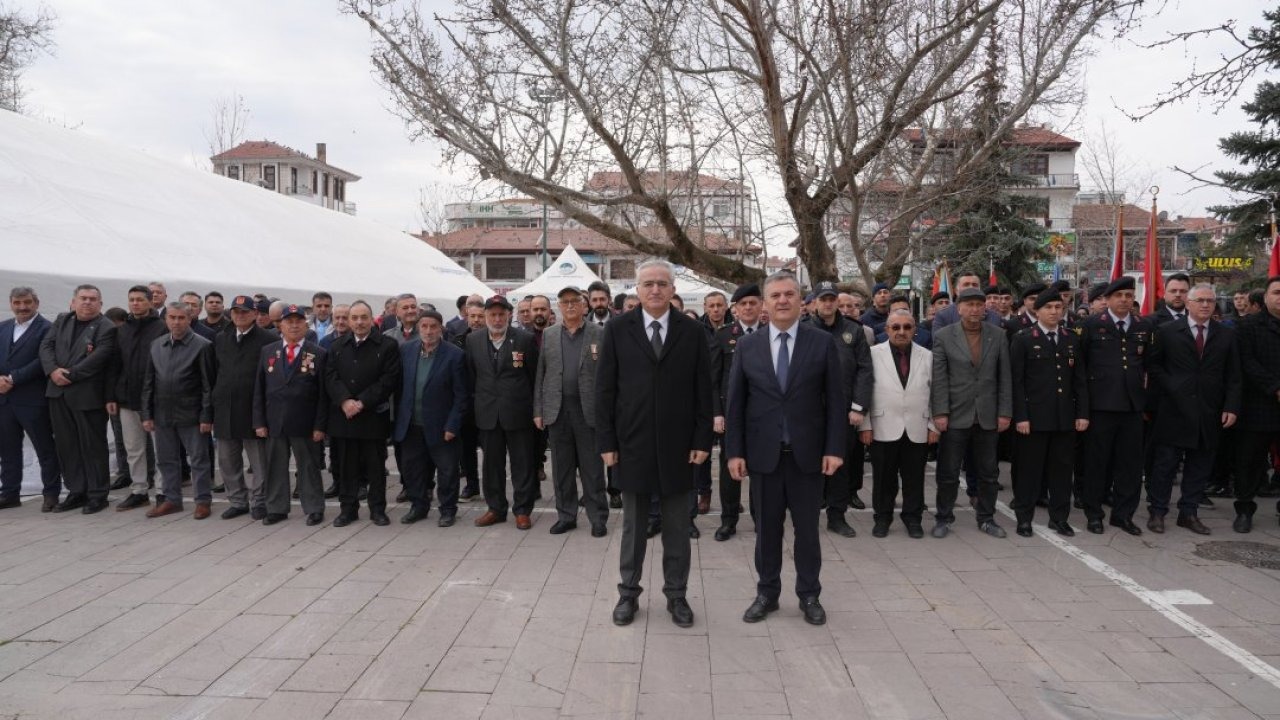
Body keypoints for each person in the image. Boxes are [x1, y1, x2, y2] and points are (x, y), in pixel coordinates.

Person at [726, 272, 845, 625]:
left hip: (808, 457)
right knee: (767, 531)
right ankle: (767, 593)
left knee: (807, 532)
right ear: (765, 302)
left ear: (801, 301)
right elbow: (736, 403)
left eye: (789, 294)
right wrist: (735, 452)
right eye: (775, 295)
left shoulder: (821, 343)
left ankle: (809, 594)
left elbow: (835, 401)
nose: (782, 300)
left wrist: (834, 448)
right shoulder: (748, 346)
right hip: (764, 457)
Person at [599, 259, 712, 629]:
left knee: (677, 527)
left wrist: (702, 438)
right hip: (631, 443)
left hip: (680, 446)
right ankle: (628, 593)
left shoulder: (692, 331)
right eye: (648, 283)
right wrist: (607, 441)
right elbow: (605, 390)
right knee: (633, 527)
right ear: (637, 289)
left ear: (673, 289)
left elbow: (703, 389)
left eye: (662, 283)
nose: (655, 289)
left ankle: (677, 595)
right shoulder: (618, 329)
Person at [1145, 283, 1240, 535]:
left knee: (1200, 466)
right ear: (1188, 303)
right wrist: (1172, 386)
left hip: (1209, 410)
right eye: (1200, 300)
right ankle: (1157, 511)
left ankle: (1188, 512)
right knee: (1165, 465)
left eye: (1210, 301)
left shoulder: (1226, 334)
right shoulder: (1167, 331)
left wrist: (1231, 406)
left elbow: (1234, 375)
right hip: (1174, 409)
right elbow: (1153, 366)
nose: (1206, 305)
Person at [929, 287, 1012, 539]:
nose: (975, 309)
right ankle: (943, 517)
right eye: (969, 305)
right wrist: (940, 412)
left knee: (989, 472)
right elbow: (940, 378)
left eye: (979, 304)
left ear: (985, 307)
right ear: (959, 308)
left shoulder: (998, 335)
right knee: (948, 472)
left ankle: (986, 517)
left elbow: (1004, 377)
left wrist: (1005, 412)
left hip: (987, 415)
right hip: (955, 415)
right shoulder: (944, 336)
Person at [1009, 281, 1088, 537]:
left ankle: (1059, 518)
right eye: (1049, 307)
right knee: (1030, 472)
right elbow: (1017, 383)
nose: (1055, 312)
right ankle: (1024, 518)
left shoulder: (1071, 339)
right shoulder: (1023, 339)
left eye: (1058, 307)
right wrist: (1021, 416)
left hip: (1064, 418)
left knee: (1062, 472)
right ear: (1037, 310)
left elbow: (1079, 380)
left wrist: (1082, 413)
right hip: (1034, 419)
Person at [1079, 276, 1152, 535]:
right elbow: (1081, 368)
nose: (1124, 300)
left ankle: (1123, 515)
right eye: (1118, 295)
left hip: (1132, 407)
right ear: (1107, 299)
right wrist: (1083, 409)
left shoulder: (1143, 326)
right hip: (1101, 406)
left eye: (1128, 296)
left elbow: (1149, 366)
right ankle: (1094, 514)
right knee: (1097, 464)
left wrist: (1146, 404)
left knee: (1130, 467)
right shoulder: (1091, 325)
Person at [534, 287, 608, 536]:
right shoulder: (550, 334)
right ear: (559, 306)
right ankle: (566, 516)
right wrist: (538, 410)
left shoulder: (599, 333)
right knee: (562, 469)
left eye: (574, 301)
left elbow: (607, 375)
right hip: (558, 410)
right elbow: (541, 374)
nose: (570, 305)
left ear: (584, 305)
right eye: (564, 302)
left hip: (588, 411)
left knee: (592, 469)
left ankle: (598, 518)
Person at [40, 284, 118, 514]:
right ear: (73, 302)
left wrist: (69, 375)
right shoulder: (62, 320)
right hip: (57, 392)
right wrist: (52, 370)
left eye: (93, 299)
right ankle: (76, 491)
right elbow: (46, 346)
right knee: (67, 446)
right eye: (83, 298)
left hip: (87, 395)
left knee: (93, 447)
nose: (87, 302)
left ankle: (97, 494)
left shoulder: (107, 327)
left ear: (100, 303)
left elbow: (100, 358)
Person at [325, 300, 402, 527]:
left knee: (375, 467)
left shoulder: (387, 346)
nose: (359, 322)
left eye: (363, 317)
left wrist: (361, 403)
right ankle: (348, 510)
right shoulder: (337, 346)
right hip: (344, 417)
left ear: (371, 319)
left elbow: (389, 379)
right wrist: (344, 400)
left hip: (372, 417)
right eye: (355, 318)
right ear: (349, 321)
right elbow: (330, 377)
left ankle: (377, 509)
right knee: (346, 467)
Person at [860, 309, 936, 538]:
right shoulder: (872, 354)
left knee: (915, 478)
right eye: (896, 327)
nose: (901, 331)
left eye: (907, 327)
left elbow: (936, 392)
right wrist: (865, 425)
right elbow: (864, 391)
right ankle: (882, 518)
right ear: (887, 330)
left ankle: (913, 519)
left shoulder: (927, 356)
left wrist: (933, 425)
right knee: (884, 478)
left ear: (915, 330)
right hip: (882, 426)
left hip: (917, 426)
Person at [466, 295, 540, 529]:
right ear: (485, 316)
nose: (497, 319)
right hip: (488, 413)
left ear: (509, 315)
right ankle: (495, 509)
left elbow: (534, 376)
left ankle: (522, 510)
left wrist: (534, 408)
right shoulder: (473, 340)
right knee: (491, 465)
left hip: (518, 412)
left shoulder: (525, 339)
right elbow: (471, 376)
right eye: (493, 315)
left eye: (501, 314)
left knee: (522, 464)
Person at [807, 281, 873, 536]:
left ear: (837, 301)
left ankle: (837, 516)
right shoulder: (803, 329)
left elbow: (865, 370)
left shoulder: (853, 330)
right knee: (809, 466)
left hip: (843, 412)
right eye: (822, 299)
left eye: (831, 299)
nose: (827, 303)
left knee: (840, 466)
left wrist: (858, 407)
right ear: (815, 302)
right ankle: (808, 516)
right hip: (811, 412)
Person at [253, 304, 328, 526]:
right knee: (275, 467)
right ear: (280, 325)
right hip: (274, 421)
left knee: (308, 467)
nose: (294, 326)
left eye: (298, 321)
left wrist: (320, 426)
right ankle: (276, 508)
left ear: (306, 325)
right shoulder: (268, 351)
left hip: (305, 422)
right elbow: (259, 388)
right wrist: (259, 421)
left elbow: (323, 394)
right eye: (289, 322)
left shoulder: (318, 353)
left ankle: (314, 508)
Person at [140, 302, 215, 519]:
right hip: (162, 413)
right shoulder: (157, 345)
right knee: (166, 459)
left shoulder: (203, 345)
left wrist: (206, 415)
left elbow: (208, 385)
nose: (176, 322)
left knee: (198, 459)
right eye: (172, 317)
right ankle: (172, 500)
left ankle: (203, 501)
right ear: (165, 319)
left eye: (181, 318)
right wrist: (147, 413)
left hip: (192, 413)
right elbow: (149, 382)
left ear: (190, 319)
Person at [396, 311, 469, 527]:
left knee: (447, 471)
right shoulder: (407, 350)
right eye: (424, 326)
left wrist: (453, 425)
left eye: (433, 326)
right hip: (412, 424)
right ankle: (418, 506)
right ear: (419, 327)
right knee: (414, 469)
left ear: (441, 328)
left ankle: (447, 510)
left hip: (442, 425)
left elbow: (462, 395)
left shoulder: (455, 355)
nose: (428, 331)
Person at [709, 283, 766, 541]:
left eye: (753, 303)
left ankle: (760, 519)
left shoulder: (770, 333)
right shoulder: (723, 336)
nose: (748, 308)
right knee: (729, 468)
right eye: (743, 304)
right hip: (731, 413)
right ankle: (728, 520)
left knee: (761, 469)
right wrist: (717, 413)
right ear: (736, 308)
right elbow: (713, 378)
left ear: (761, 305)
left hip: (761, 414)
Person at [212, 296, 278, 520]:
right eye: (236, 312)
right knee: (227, 461)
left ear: (254, 314)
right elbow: (215, 373)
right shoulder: (222, 338)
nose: (240, 315)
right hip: (225, 410)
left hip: (253, 411)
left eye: (244, 311)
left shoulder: (268, 340)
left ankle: (260, 501)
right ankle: (238, 501)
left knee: (259, 462)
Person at [0, 287, 60, 510]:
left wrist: (13, 378)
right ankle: (10, 493)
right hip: (5, 400)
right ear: (11, 304)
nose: (22, 307)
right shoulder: (4, 327)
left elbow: (43, 360)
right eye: (17, 303)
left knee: (45, 448)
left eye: (27, 302)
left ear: (36, 303)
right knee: (8, 449)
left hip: (33, 400)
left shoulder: (48, 329)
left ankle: (51, 493)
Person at [108, 285, 166, 512]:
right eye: (131, 299)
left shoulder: (162, 328)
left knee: (161, 449)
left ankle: (162, 491)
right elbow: (114, 365)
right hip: (127, 398)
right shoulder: (122, 330)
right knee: (133, 448)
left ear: (150, 302)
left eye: (140, 299)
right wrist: (111, 395)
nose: (135, 303)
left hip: (155, 399)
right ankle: (139, 490)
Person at [1230, 276, 1280, 533]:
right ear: (1266, 297)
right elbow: (1246, 362)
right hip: (1258, 405)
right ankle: (1244, 509)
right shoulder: (1248, 326)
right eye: (1277, 293)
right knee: (1249, 461)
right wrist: (1275, 387)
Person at [452, 302, 485, 500]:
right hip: (465, 403)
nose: (476, 320)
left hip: (487, 403)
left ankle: (492, 486)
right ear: (466, 318)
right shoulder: (458, 340)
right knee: (467, 449)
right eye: (472, 316)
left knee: (491, 449)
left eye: (480, 316)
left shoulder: (493, 338)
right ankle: (472, 485)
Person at [931, 272, 1003, 330]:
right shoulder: (943, 316)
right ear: (956, 291)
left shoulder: (994, 317)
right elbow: (940, 342)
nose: (971, 287)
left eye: (974, 285)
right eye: (966, 284)